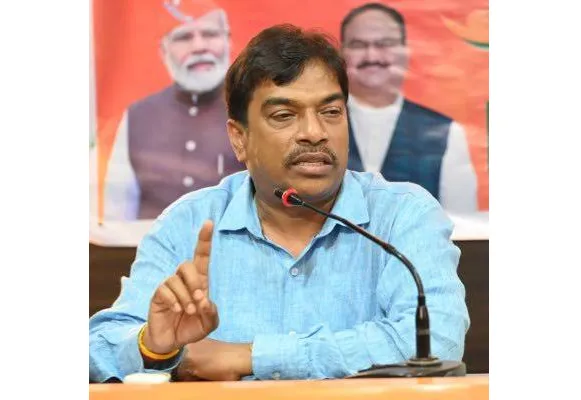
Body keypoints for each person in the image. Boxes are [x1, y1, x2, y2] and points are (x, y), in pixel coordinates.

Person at [89, 24, 469, 382]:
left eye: (331, 112)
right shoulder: (188, 224)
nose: (315, 133)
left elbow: (436, 342)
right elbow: (99, 347)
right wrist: (153, 347)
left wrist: (250, 357)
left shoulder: (402, 215)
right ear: (239, 139)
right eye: (284, 115)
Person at [103, 0, 244, 220]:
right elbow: (117, 214)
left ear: (228, 41)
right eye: (184, 37)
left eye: (210, 34)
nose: (199, 47)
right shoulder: (138, 116)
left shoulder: (251, 107)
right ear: (163, 50)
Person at [341, 2, 478, 213]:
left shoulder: (447, 133)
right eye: (358, 45)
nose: (372, 56)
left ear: (405, 52)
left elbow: (461, 224)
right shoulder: (318, 125)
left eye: (384, 44)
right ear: (341, 53)